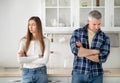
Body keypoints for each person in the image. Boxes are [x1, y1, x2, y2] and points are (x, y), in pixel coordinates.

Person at [70, 10, 110, 83]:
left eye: (99, 24)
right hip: (79, 73)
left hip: (96, 75)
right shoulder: (77, 33)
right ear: (88, 21)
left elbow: (103, 58)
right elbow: (75, 51)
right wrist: (96, 51)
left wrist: (82, 50)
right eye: (94, 24)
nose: (97, 27)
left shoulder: (105, 37)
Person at [17, 16, 50, 83]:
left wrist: (26, 59)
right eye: (29, 25)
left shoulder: (46, 41)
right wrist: (37, 57)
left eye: (33, 25)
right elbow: (19, 60)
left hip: (41, 72)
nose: (30, 27)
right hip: (26, 72)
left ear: (38, 26)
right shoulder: (23, 41)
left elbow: (44, 61)